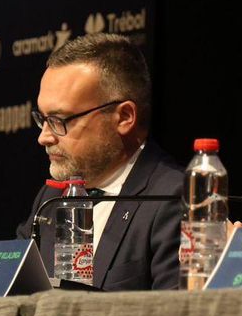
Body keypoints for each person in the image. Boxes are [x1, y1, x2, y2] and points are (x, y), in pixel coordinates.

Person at [16, 33, 183, 291]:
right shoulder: (50, 198)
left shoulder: (173, 199)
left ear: (124, 117)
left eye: (60, 120)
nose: (44, 137)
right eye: (43, 119)